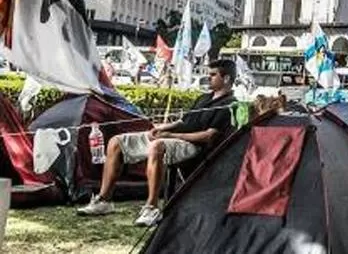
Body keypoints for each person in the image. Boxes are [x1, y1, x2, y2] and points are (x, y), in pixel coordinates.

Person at [77, 59, 238, 226]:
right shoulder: (203, 98)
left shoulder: (228, 104)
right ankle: (104, 200)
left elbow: (208, 136)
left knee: (156, 147)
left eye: (213, 75)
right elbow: (183, 121)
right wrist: (160, 128)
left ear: (226, 79)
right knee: (115, 142)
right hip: (173, 137)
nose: (208, 78)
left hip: (194, 146)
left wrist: (170, 136)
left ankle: (152, 207)